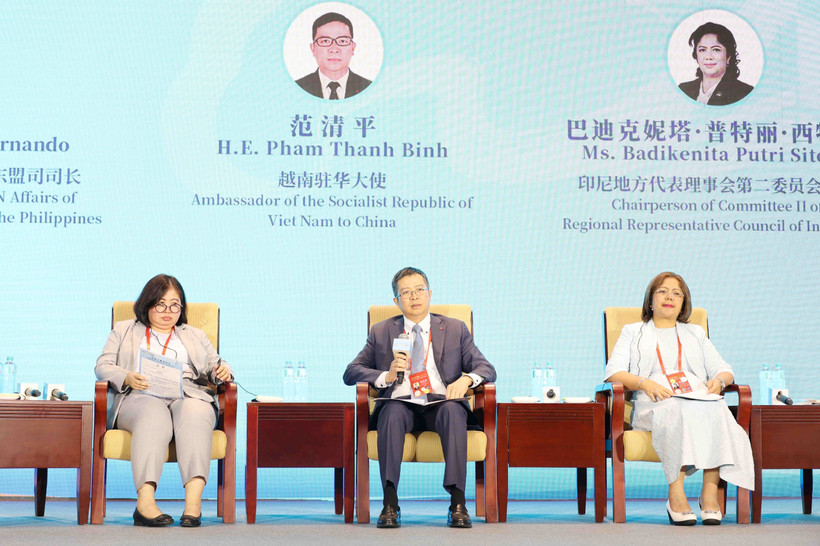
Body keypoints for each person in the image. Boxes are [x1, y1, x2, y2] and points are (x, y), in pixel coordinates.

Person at [343, 267, 496, 528]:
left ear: (429, 294)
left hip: (441, 403)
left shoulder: (455, 329)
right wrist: (386, 376)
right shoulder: (382, 331)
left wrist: (466, 379)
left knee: (452, 411)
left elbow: (486, 368)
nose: (414, 297)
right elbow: (351, 372)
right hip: (401, 404)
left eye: (419, 290)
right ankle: (390, 504)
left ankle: (457, 503)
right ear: (396, 301)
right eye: (406, 292)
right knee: (390, 412)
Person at [604, 272, 753, 526]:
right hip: (654, 401)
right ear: (650, 301)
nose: (669, 297)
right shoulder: (633, 331)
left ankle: (709, 490)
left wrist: (720, 380)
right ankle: (676, 492)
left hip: (697, 398)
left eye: (677, 292)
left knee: (718, 409)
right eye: (662, 291)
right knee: (674, 409)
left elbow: (723, 369)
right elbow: (613, 373)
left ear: (684, 302)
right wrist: (644, 382)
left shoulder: (694, 332)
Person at [95, 274, 233, 527]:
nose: (168, 311)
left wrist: (221, 371)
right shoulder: (124, 329)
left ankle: (193, 503)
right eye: (160, 303)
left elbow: (215, 365)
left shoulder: (194, 334)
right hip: (140, 395)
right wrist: (126, 376)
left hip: (187, 393)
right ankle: (145, 503)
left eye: (175, 305)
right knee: (153, 416)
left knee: (195, 413)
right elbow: (103, 366)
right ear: (147, 303)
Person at [295, 12, 371, 99]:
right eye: (325, 41)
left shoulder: (369, 88)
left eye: (342, 41)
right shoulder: (296, 88)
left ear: (353, 48)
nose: (334, 49)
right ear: (313, 49)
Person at [678, 22, 754, 105]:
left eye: (716, 50)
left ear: (728, 57)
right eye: (702, 50)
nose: (708, 57)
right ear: (696, 56)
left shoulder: (745, 93)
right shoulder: (683, 90)